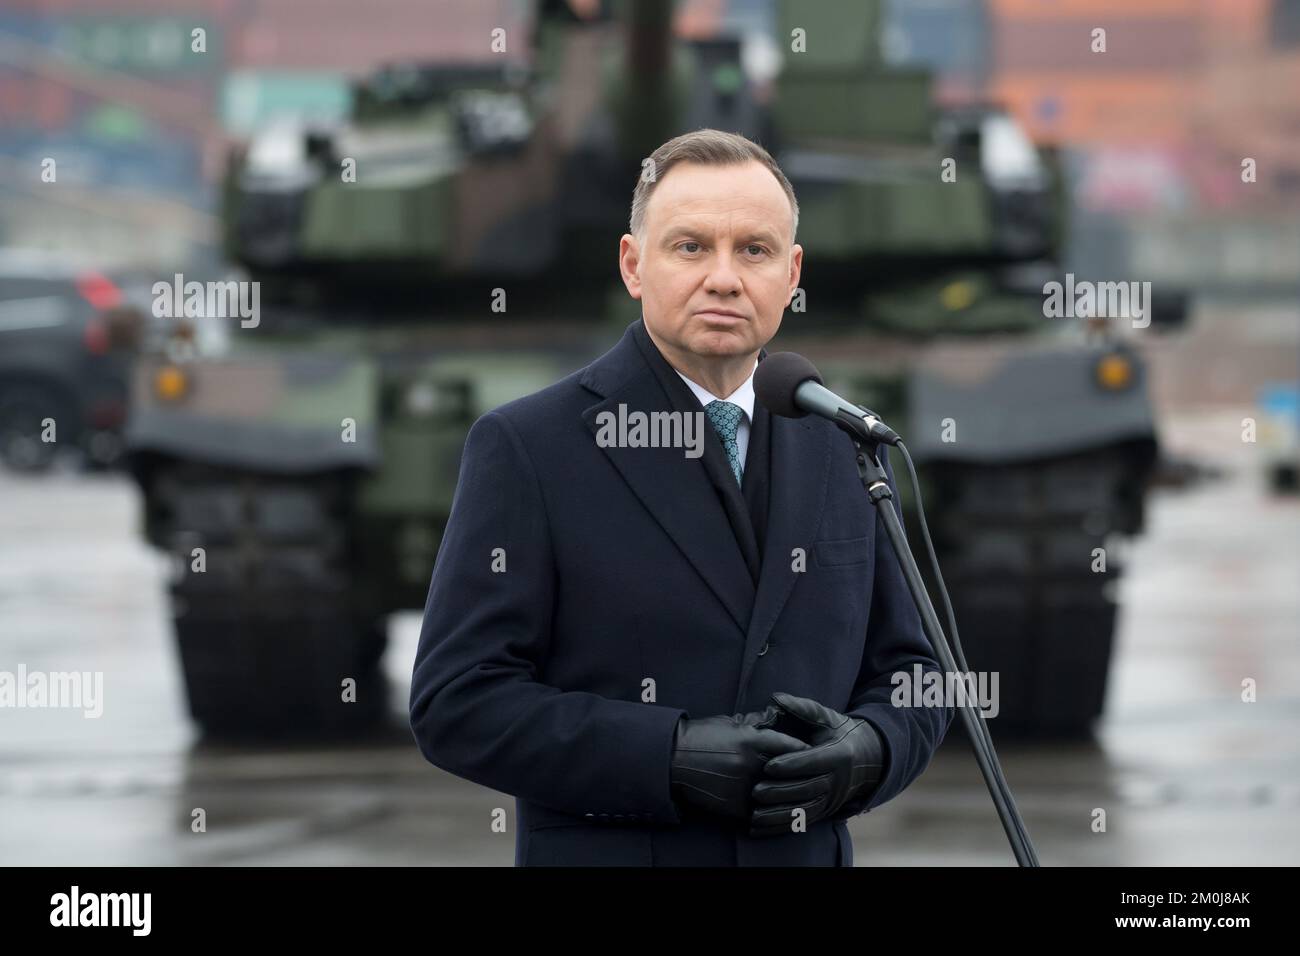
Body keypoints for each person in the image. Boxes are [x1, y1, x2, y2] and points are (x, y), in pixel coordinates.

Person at [409, 128, 952, 866]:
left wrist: (872, 750)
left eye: (754, 251)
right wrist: (665, 755)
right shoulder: (530, 446)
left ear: (792, 274)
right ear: (634, 265)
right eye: (691, 247)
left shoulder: (843, 443)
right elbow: (457, 701)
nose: (725, 278)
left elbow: (916, 673)